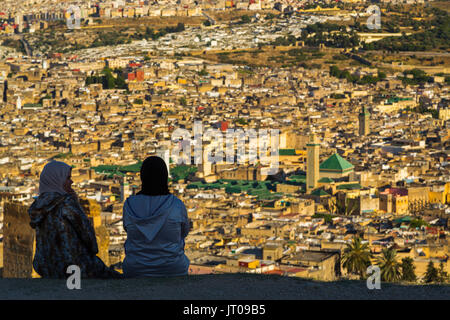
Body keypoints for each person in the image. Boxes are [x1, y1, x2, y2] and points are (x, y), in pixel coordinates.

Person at [28, 160, 121, 279]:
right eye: (67, 178)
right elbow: (91, 242)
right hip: (74, 267)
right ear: (57, 180)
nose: (71, 181)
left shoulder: (37, 207)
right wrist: (76, 204)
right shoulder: (66, 204)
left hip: (46, 267)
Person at [122, 156, 190, 277]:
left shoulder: (129, 205)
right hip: (173, 268)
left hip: (136, 268)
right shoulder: (176, 205)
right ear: (164, 177)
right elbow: (183, 233)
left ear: (143, 177)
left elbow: (127, 229)